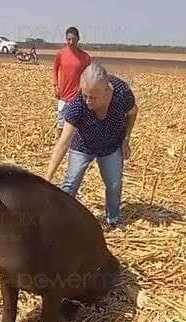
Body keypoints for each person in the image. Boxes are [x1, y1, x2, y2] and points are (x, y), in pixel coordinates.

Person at [44, 63, 138, 230]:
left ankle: (114, 218)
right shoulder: (77, 104)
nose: (88, 101)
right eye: (85, 95)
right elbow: (63, 142)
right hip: (83, 146)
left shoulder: (122, 93)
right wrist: (48, 176)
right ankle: (59, 219)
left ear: (106, 90)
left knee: (114, 183)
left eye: (93, 97)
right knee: (71, 183)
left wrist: (126, 138)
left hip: (110, 146)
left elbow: (133, 112)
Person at [53, 26, 91, 135]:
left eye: (73, 39)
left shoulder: (85, 57)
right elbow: (55, 70)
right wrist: (56, 86)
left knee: (76, 125)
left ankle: (74, 147)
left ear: (78, 39)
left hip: (78, 97)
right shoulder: (61, 54)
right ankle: (59, 145)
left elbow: (89, 76)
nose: (71, 42)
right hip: (63, 96)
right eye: (68, 39)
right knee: (60, 123)